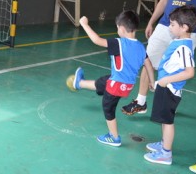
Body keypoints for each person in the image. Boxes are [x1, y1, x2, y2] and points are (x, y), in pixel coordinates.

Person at [122, 0, 196, 116]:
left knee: (177, 70)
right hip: (165, 26)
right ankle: (140, 102)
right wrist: (152, 21)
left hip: (189, 32)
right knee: (147, 61)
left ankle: (167, 106)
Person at [66, 11, 155, 147]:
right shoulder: (140, 47)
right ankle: (80, 83)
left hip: (116, 86)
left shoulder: (118, 43)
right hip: (125, 84)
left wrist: (84, 24)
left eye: (117, 27)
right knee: (103, 82)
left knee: (108, 109)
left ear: (122, 29)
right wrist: (152, 81)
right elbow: (148, 65)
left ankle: (114, 137)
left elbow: (96, 40)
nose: (117, 29)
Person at [144, 5, 196, 165]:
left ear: (184, 27)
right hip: (165, 86)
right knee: (163, 119)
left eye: (173, 24)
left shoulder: (184, 47)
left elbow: (190, 72)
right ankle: (163, 145)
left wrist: (166, 81)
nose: (169, 27)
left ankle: (166, 154)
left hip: (170, 89)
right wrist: (161, 81)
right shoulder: (179, 41)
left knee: (167, 121)